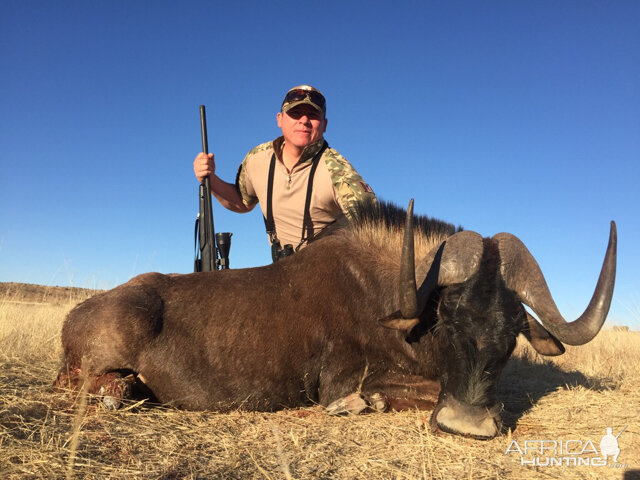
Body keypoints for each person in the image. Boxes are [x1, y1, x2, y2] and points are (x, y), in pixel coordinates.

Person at [193, 85, 376, 261]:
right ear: (279, 119)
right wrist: (210, 179)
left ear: (324, 124)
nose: (304, 120)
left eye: (313, 115)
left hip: (331, 273)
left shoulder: (337, 169)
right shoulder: (257, 158)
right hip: (282, 274)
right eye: (295, 113)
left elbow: (374, 226)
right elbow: (242, 203)